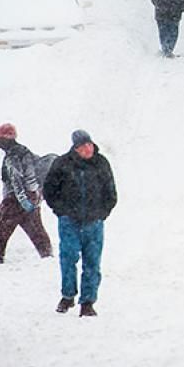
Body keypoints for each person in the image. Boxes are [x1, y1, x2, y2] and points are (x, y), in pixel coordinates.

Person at [44, 130, 117, 317]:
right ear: (75, 148)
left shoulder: (101, 163)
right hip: (70, 222)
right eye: (83, 146)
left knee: (92, 263)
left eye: (90, 144)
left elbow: (110, 192)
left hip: (94, 222)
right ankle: (68, 296)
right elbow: (49, 191)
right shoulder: (62, 164)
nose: (88, 148)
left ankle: (88, 302)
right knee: (68, 258)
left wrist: (102, 213)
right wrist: (62, 212)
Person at [0, 123, 53, 264]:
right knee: (36, 230)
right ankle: (48, 257)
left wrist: (24, 199)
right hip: (30, 198)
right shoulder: (24, 152)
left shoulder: (14, 156)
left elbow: (18, 179)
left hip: (15, 199)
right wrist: (34, 196)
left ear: (4, 139)